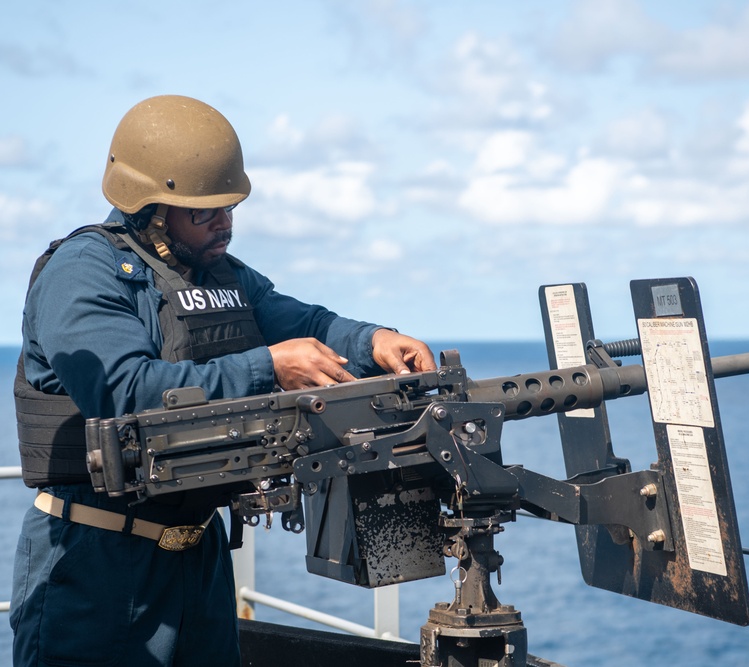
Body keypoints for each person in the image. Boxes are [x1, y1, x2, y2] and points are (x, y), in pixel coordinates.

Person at [10, 94, 436, 666]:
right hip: (97, 562)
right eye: (204, 212)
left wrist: (375, 341)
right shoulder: (82, 272)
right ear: (152, 207)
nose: (225, 223)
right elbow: (124, 389)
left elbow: (306, 324)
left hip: (198, 554)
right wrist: (270, 367)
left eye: (229, 207)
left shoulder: (218, 274)